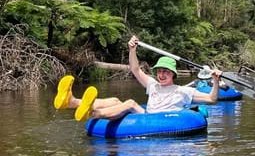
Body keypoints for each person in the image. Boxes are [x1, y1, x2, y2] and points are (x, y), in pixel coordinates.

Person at [54, 35, 222, 121]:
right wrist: (132, 49)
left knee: (130, 103)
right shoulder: (153, 84)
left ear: (173, 74)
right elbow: (134, 69)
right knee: (113, 99)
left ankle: (93, 113)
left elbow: (211, 99)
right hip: (147, 114)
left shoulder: (183, 91)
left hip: (158, 119)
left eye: (166, 72)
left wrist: (215, 80)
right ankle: (71, 101)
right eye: (159, 71)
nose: (161, 75)